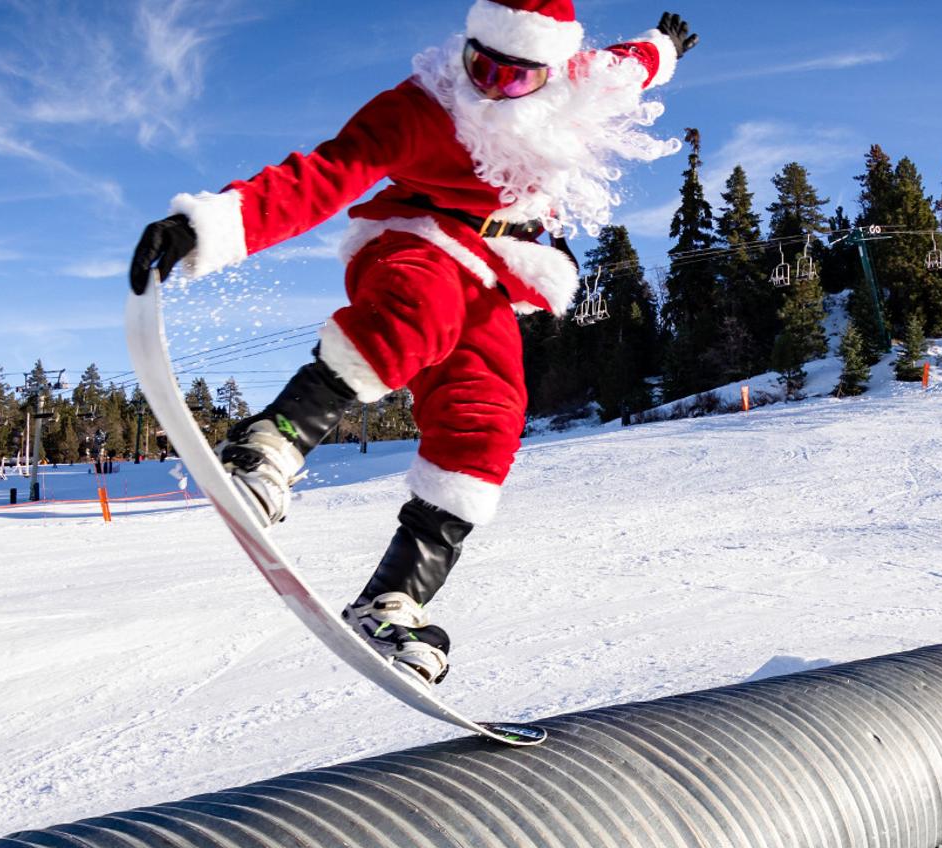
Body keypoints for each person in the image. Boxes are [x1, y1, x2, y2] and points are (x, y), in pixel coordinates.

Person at [130, 0, 696, 684]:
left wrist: (661, 48)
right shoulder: (426, 106)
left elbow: (630, 66)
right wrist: (207, 226)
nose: (490, 87)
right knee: (416, 314)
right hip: (412, 239)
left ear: (548, 72)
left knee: (489, 416)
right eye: (479, 65)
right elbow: (323, 176)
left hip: (490, 270)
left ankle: (391, 601)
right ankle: (269, 443)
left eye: (513, 79)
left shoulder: (582, 79)